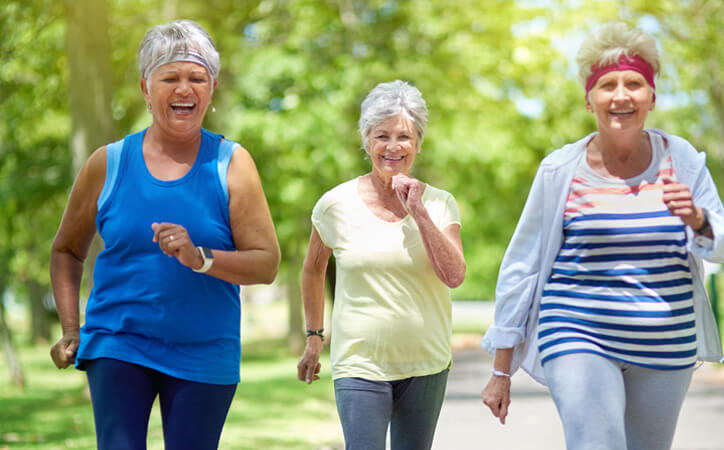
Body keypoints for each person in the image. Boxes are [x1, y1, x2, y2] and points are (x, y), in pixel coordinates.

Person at [481, 22, 724, 450]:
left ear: (652, 97)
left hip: (666, 343)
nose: (621, 95)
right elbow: (522, 267)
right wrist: (500, 369)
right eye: (607, 85)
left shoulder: (683, 161)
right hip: (577, 331)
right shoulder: (560, 170)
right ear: (590, 100)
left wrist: (698, 218)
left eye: (635, 83)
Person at [49, 19, 280, 450]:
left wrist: (201, 257)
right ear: (145, 88)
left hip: (204, 349)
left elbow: (266, 263)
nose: (184, 89)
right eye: (169, 77)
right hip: (119, 342)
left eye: (197, 78)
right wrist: (69, 329)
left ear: (212, 89)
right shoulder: (108, 163)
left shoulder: (232, 164)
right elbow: (65, 249)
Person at [296, 80, 466, 450]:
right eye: (381, 135)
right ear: (366, 140)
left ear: (418, 143)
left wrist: (418, 212)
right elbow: (312, 269)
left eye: (404, 136)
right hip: (359, 364)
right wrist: (314, 337)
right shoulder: (334, 205)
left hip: (426, 364)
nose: (392, 147)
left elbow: (454, 275)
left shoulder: (439, 204)